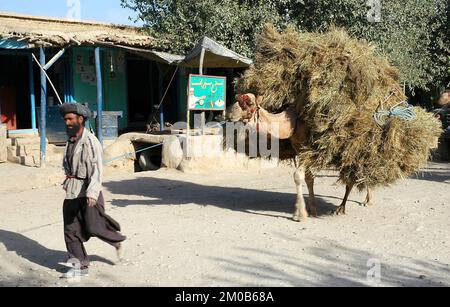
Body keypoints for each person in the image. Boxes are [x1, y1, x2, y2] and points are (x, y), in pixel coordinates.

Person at [59, 103, 126, 279]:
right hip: (72, 192)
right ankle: (78, 265)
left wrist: (92, 193)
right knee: (70, 230)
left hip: (88, 192)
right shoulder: (70, 140)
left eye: (70, 119)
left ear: (80, 120)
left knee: (94, 227)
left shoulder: (90, 142)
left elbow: (97, 170)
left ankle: (117, 241)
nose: (67, 122)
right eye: (65, 119)